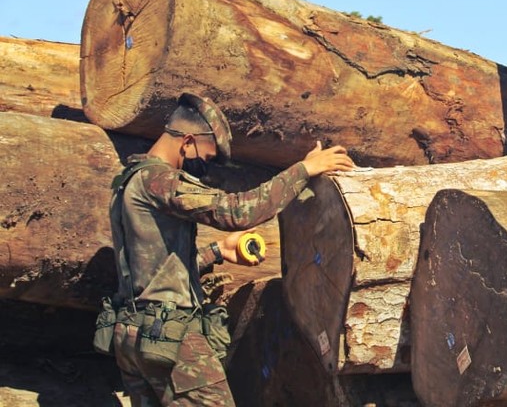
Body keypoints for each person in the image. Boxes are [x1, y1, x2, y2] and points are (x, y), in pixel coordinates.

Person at [102, 92, 354, 405]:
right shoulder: (159, 180)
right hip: (168, 338)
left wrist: (219, 251)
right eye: (205, 158)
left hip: (131, 335)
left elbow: (157, 272)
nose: (203, 169)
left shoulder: (128, 180)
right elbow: (237, 212)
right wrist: (304, 170)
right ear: (188, 142)